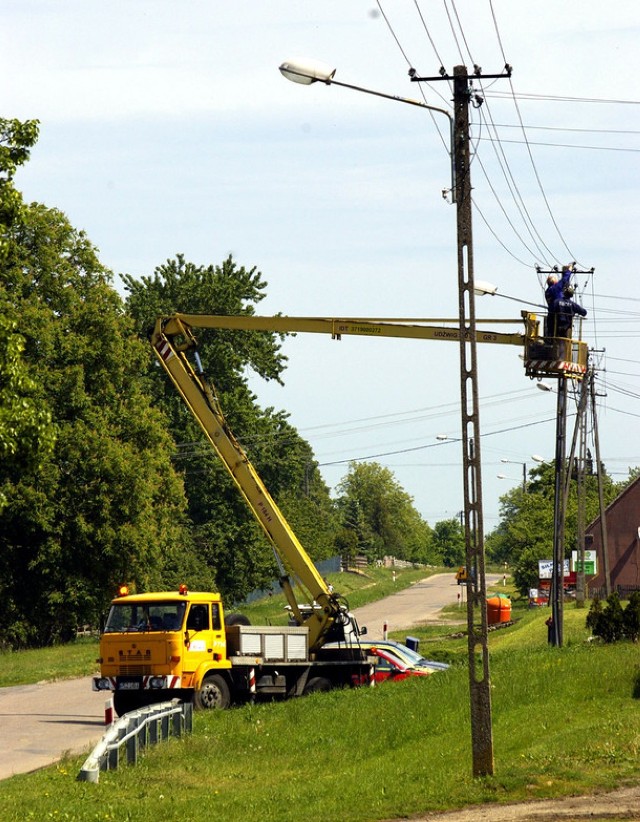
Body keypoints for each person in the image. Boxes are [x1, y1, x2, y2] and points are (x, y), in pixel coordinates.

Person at [550, 285, 587, 357]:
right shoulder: (573, 305)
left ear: (564, 293)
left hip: (556, 327)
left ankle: (555, 356)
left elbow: (551, 310)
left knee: (556, 341)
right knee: (566, 344)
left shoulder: (557, 302)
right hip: (567, 328)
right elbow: (584, 312)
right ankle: (563, 357)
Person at [544, 263, 573, 336]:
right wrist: (569, 270)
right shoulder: (555, 288)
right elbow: (564, 279)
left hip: (551, 317)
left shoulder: (547, 291)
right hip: (560, 318)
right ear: (554, 282)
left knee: (552, 337)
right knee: (562, 339)